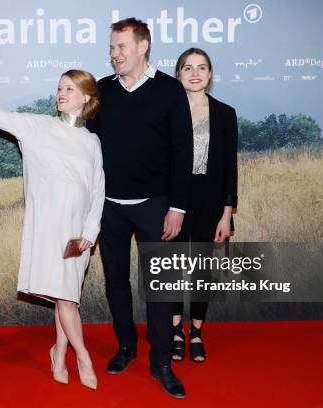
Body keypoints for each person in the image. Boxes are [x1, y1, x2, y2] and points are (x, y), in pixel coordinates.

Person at [0, 59, 105, 390]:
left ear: (86, 97)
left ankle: (58, 355)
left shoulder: (93, 142)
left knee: (67, 297)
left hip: (79, 235)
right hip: (49, 231)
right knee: (67, 300)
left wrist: (90, 234)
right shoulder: (36, 127)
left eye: (69, 88)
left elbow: (99, 191)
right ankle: (83, 357)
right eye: (59, 87)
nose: (61, 93)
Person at [86, 18, 193, 398]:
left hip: (156, 206)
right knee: (116, 282)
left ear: (143, 47)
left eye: (121, 47)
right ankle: (126, 347)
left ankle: (162, 362)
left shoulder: (169, 90)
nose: (114, 54)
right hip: (109, 208)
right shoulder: (101, 91)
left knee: (161, 288)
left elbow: (184, 152)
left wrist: (178, 207)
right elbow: (83, 146)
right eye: (112, 48)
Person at [170, 48, 238, 364]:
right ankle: (174, 332)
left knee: (199, 271)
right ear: (178, 74)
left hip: (209, 202)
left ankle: (195, 332)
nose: (195, 73)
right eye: (187, 67)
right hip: (171, 201)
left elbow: (229, 169)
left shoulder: (225, 114)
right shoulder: (167, 111)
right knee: (169, 269)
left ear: (210, 75)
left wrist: (227, 214)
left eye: (202, 67)